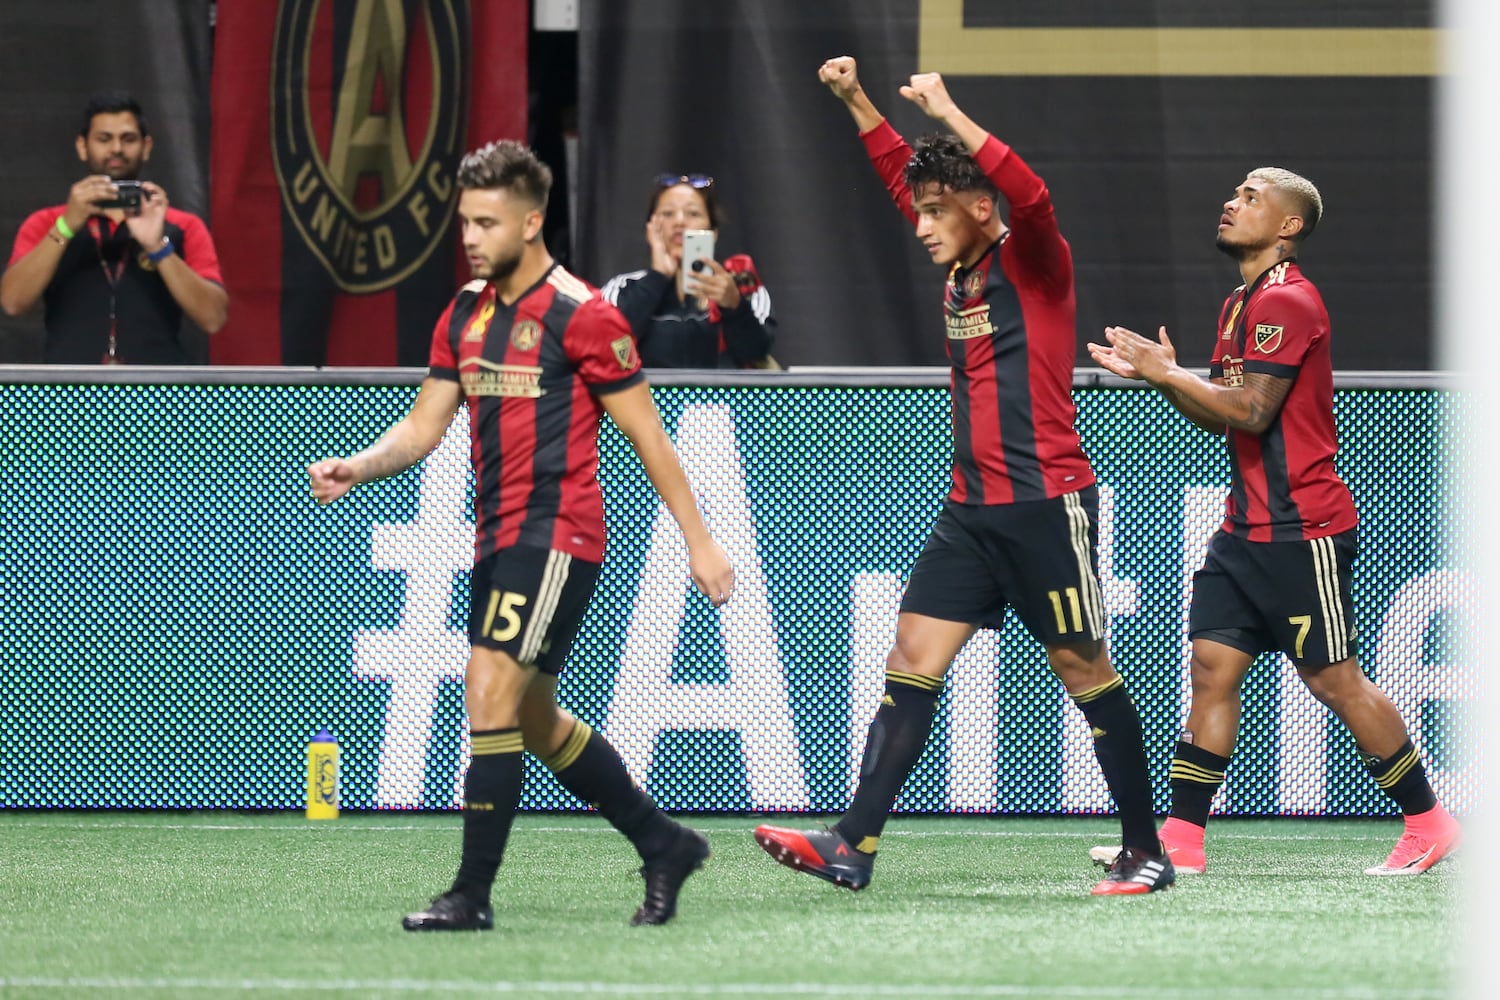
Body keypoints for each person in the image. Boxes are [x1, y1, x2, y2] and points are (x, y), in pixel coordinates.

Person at [751, 58, 1174, 897]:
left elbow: (1035, 194)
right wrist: (857, 102)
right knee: (911, 657)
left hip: (1045, 505)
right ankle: (853, 844)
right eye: (920, 213)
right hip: (970, 512)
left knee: (1087, 673)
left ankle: (1145, 851)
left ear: (982, 210)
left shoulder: (1036, 264)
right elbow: (903, 178)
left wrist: (947, 109)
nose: (921, 226)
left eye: (938, 212)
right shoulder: (961, 267)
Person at [308, 139, 736, 930]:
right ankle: (663, 842)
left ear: (532, 221)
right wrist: (360, 466)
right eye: (464, 222)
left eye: (485, 223)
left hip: (560, 535)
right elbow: (422, 427)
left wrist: (698, 541)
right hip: (495, 539)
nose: (469, 238)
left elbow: (651, 440)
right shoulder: (463, 314)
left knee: (488, 688)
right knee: (535, 720)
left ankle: (471, 893)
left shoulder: (584, 315)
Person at [1087, 167, 1462, 876]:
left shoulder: (1289, 300)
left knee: (1334, 681)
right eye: (1234, 193)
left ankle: (1429, 823)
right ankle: (1183, 842)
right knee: (1211, 668)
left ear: (1289, 226)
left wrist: (1170, 376)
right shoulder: (1240, 302)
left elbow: (1253, 410)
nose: (1231, 202)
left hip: (1302, 529)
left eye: (1252, 197)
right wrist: (1165, 378)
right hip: (1244, 533)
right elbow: (1221, 416)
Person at [0, 90, 227, 363]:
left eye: (128, 139)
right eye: (104, 139)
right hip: (68, 393)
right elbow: (12, 302)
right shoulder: (48, 222)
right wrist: (67, 226)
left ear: (147, 146)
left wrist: (158, 248)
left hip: (158, 392)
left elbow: (213, 318)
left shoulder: (180, 225)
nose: (116, 149)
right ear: (83, 146)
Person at [600, 173, 777, 369]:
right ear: (650, 229)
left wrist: (734, 306)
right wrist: (656, 279)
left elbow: (757, 353)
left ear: (713, 232)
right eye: (668, 214)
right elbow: (604, 344)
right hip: (645, 398)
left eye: (693, 214)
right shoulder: (623, 287)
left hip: (723, 399)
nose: (679, 222)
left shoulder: (740, 286)